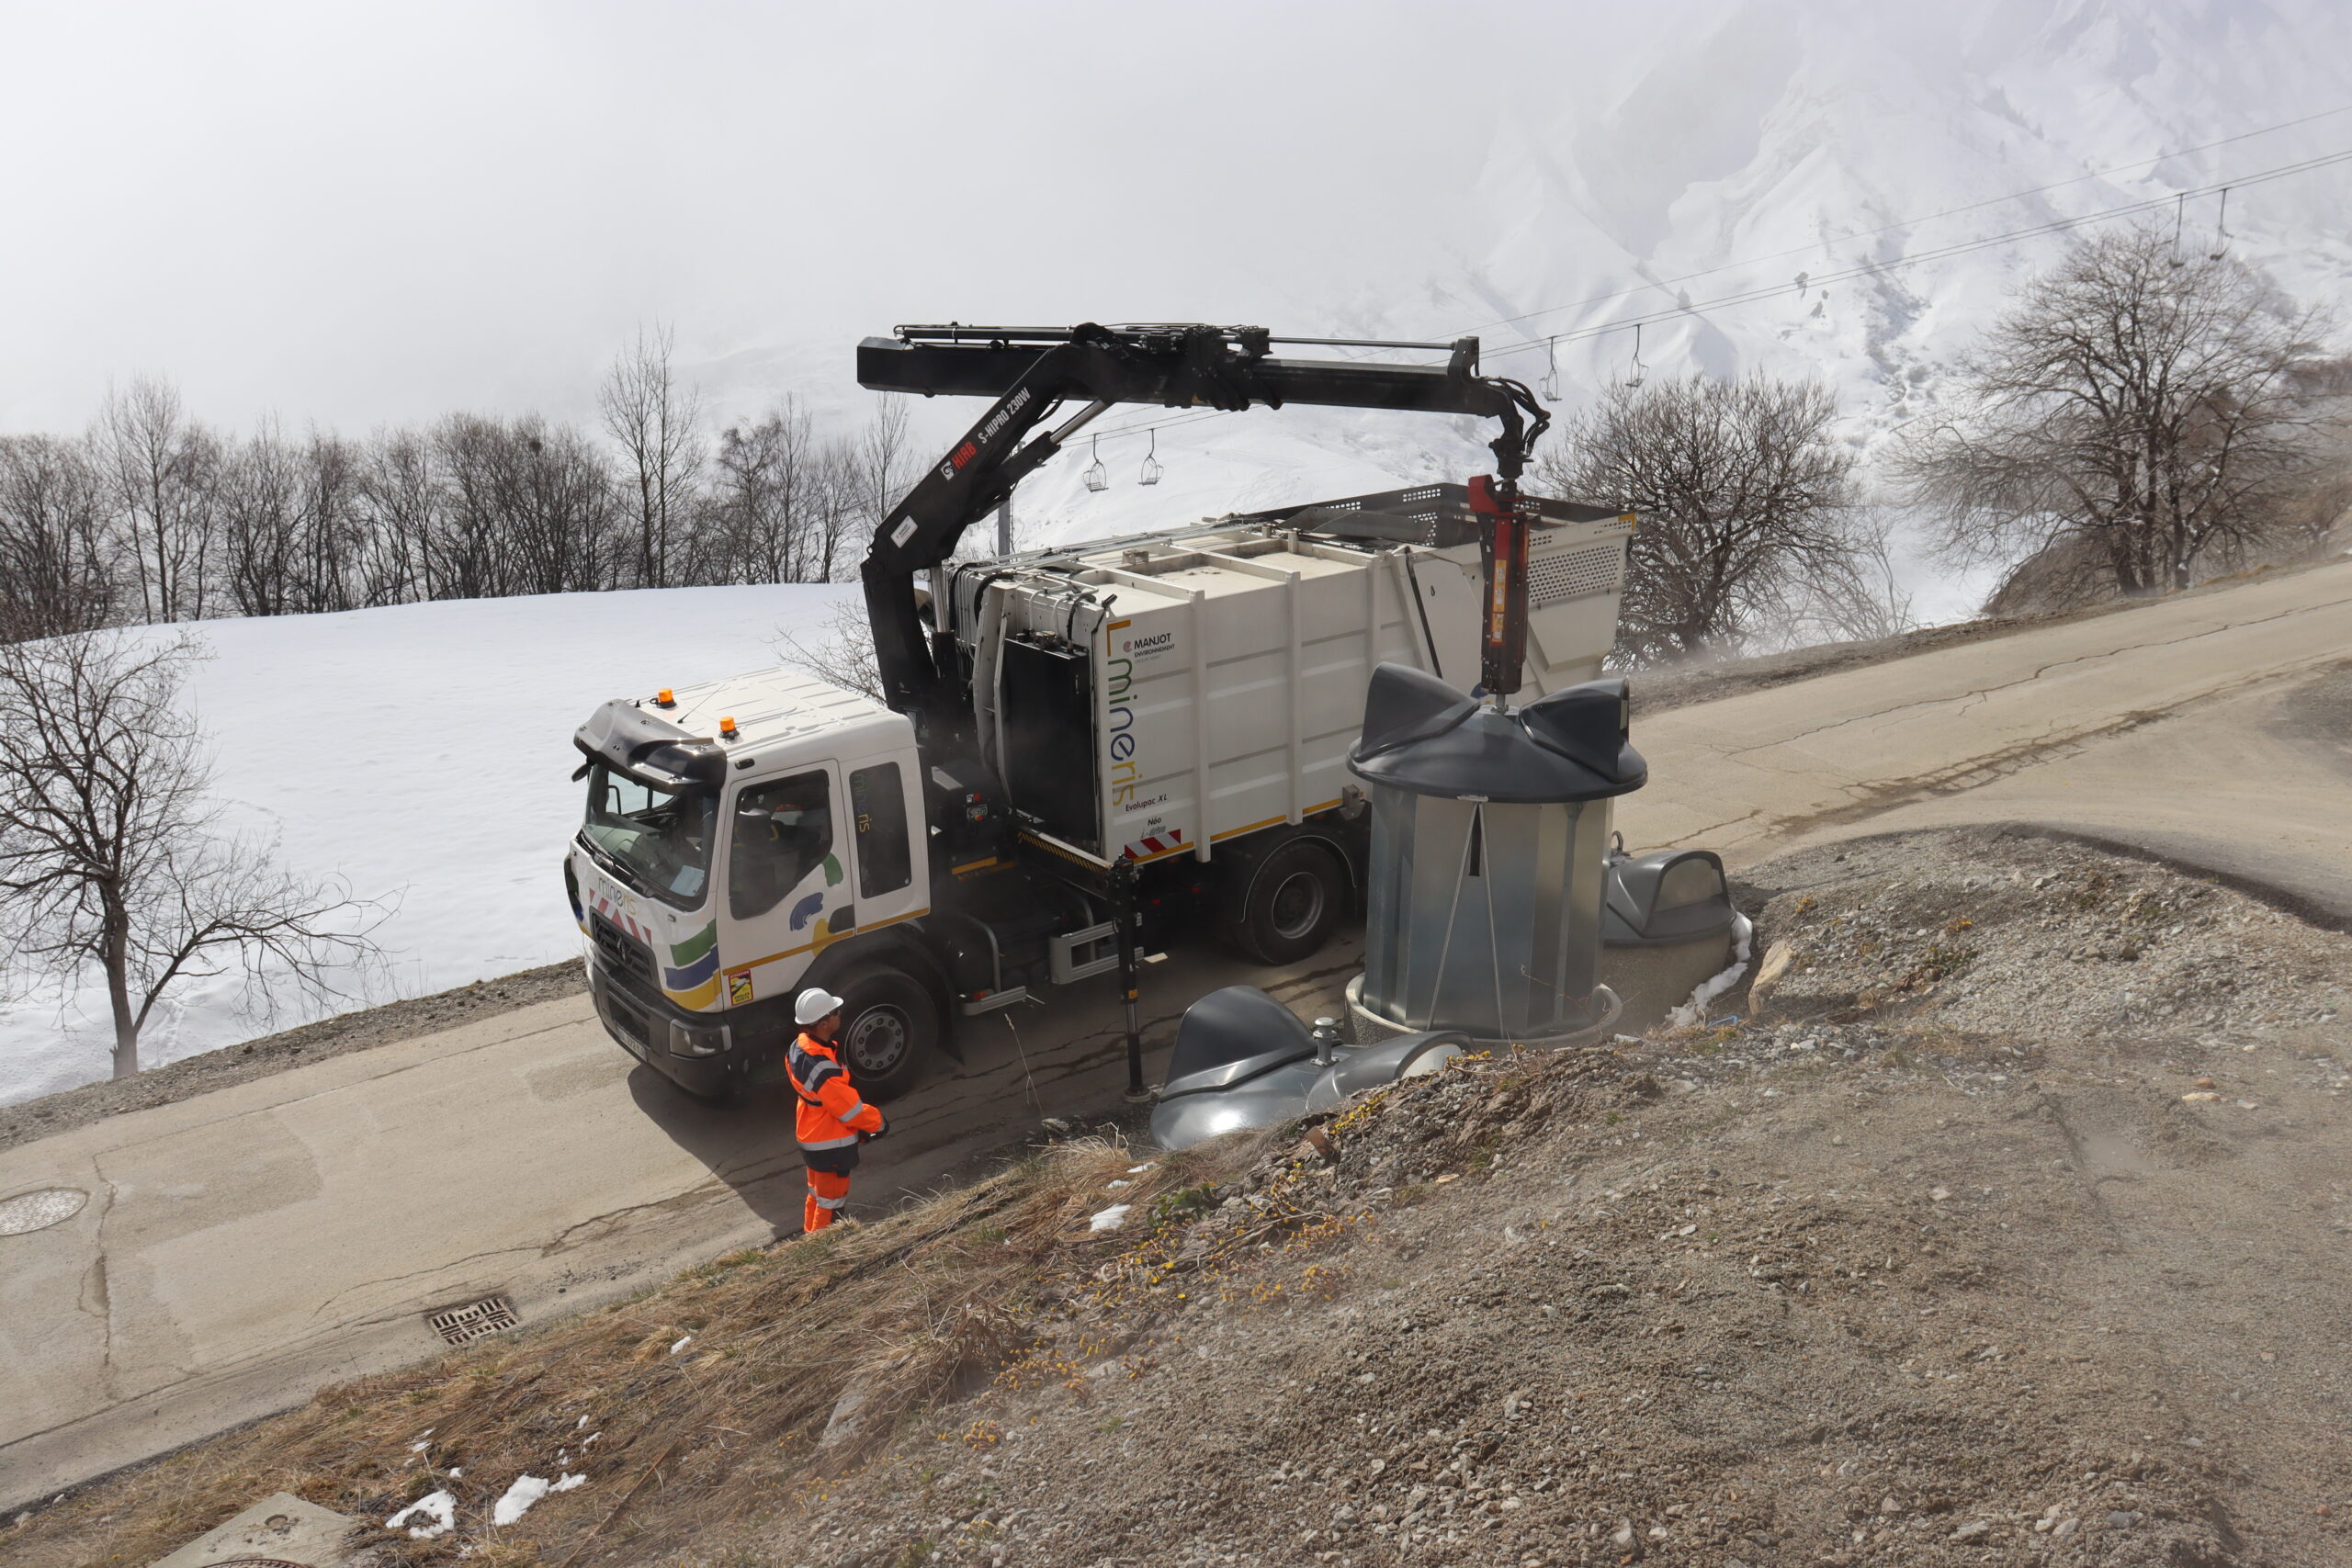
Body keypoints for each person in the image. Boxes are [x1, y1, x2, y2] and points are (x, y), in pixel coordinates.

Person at [786, 987, 887, 1232]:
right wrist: (878, 1124)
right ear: (822, 1023)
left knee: (817, 1196)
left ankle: (809, 1240)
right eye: (835, 1012)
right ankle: (823, 1251)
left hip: (812, 1133)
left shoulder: (800, 1047)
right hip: (829, 1143)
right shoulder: (823, 1069)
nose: (840, 1014)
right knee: (831, 1205)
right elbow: (850, 1110)